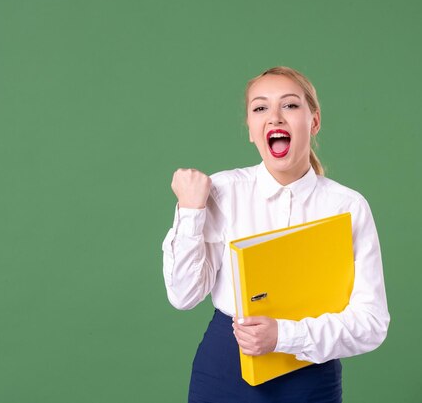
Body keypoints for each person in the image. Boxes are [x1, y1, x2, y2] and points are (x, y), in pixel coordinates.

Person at [161, 66, 390, 403]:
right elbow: (183, 296)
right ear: (251, 130)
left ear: (314, 122)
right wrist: (190, 212)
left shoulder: (347, 207)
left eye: (290, 105)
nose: (274, 118)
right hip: (224, 372)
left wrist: (284, 335)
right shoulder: (221, 192)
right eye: (260, 108)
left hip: (311, 378)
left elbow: (372, 324)